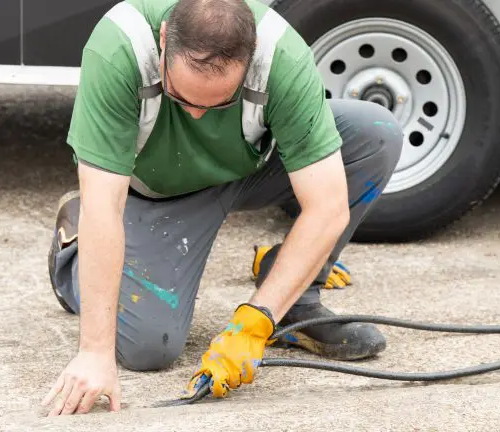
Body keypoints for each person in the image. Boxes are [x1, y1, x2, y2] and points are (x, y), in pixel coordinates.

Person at [41, 0, 403, 416]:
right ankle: (72, 254)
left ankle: (294, 301)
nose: (197, 115)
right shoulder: (119, 48)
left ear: (248, 61)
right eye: (181, 96)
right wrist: (94, 352)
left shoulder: (280, 54)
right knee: (147, 349)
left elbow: (328, 206)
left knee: (376, 134)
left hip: (247, 169)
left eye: (219, 103)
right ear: (164, 42)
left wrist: (257, 320)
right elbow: (104, 207)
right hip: (157, 193)